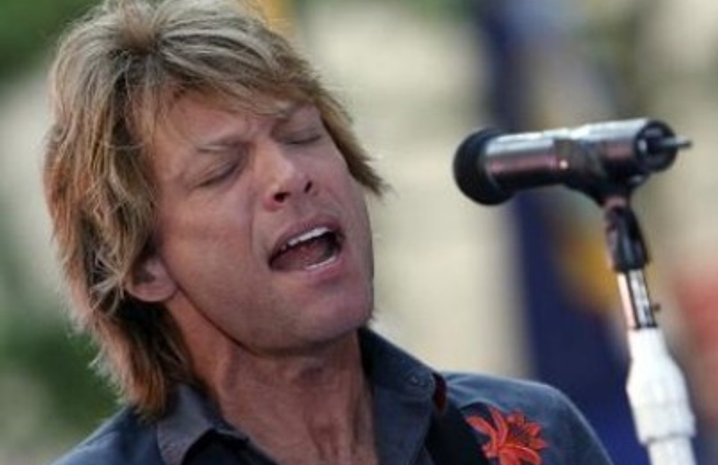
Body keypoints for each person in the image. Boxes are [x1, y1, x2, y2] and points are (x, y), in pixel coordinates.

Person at [43, 0, 615, 464]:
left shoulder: (534, 433)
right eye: (223, 170)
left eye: (301, 135)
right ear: (143, 264)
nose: (289, 175)